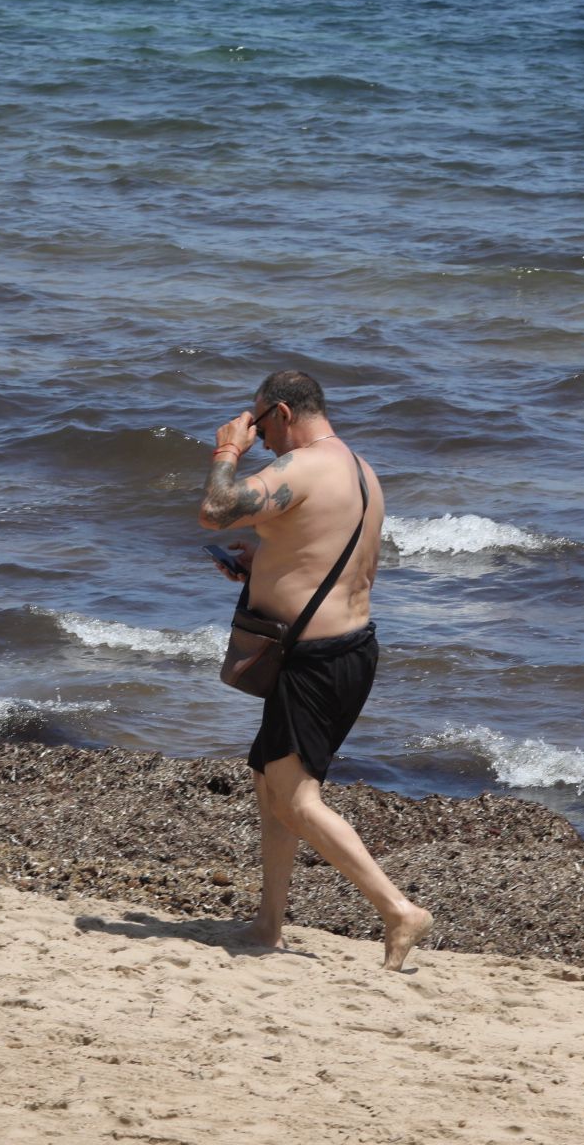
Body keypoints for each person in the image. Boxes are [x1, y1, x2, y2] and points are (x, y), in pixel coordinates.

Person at [198, 370, 433, 971]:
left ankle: (398, 909)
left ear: (280, 412)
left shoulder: (300, 468)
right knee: (269, 783)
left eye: (260, 424)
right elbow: (329, 557)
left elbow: (216, 509)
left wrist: (228, 448)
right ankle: (268, 922)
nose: (262, 439)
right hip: (349, 650)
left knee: (297, 801)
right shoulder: (359, 470)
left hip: (316, 662)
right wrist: (261, 567)